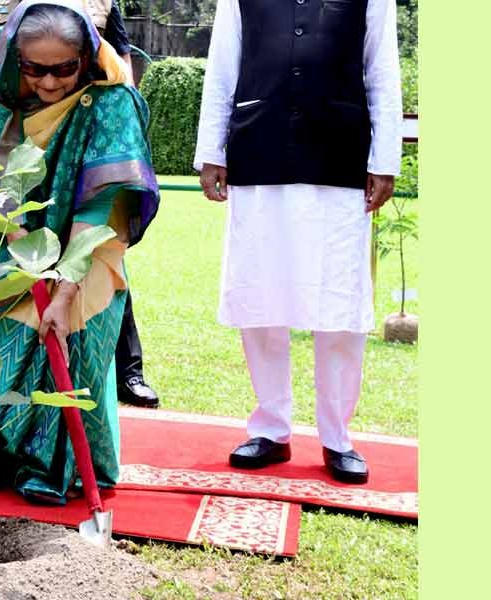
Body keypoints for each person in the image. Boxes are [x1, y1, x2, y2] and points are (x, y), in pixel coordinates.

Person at [0, 0, 159, 502]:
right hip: (4, 232)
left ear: (85, 57)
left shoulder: (110, 100)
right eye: (35, 70)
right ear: (15, 60)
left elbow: (101, 206)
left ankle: (52, 467)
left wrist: (62, 290)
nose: (48, 84)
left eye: (64, 70)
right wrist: (19, 241)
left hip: (86, 243)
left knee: (76, 347)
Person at [194, 0, 402, 483]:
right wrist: (211, 151)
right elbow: (223, 65)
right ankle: (271, 428)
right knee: (261, 293)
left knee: (340, 302)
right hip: (258, 144)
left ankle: (337, 437)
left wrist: (384, 158)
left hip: (340, 152)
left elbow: (382, 70)